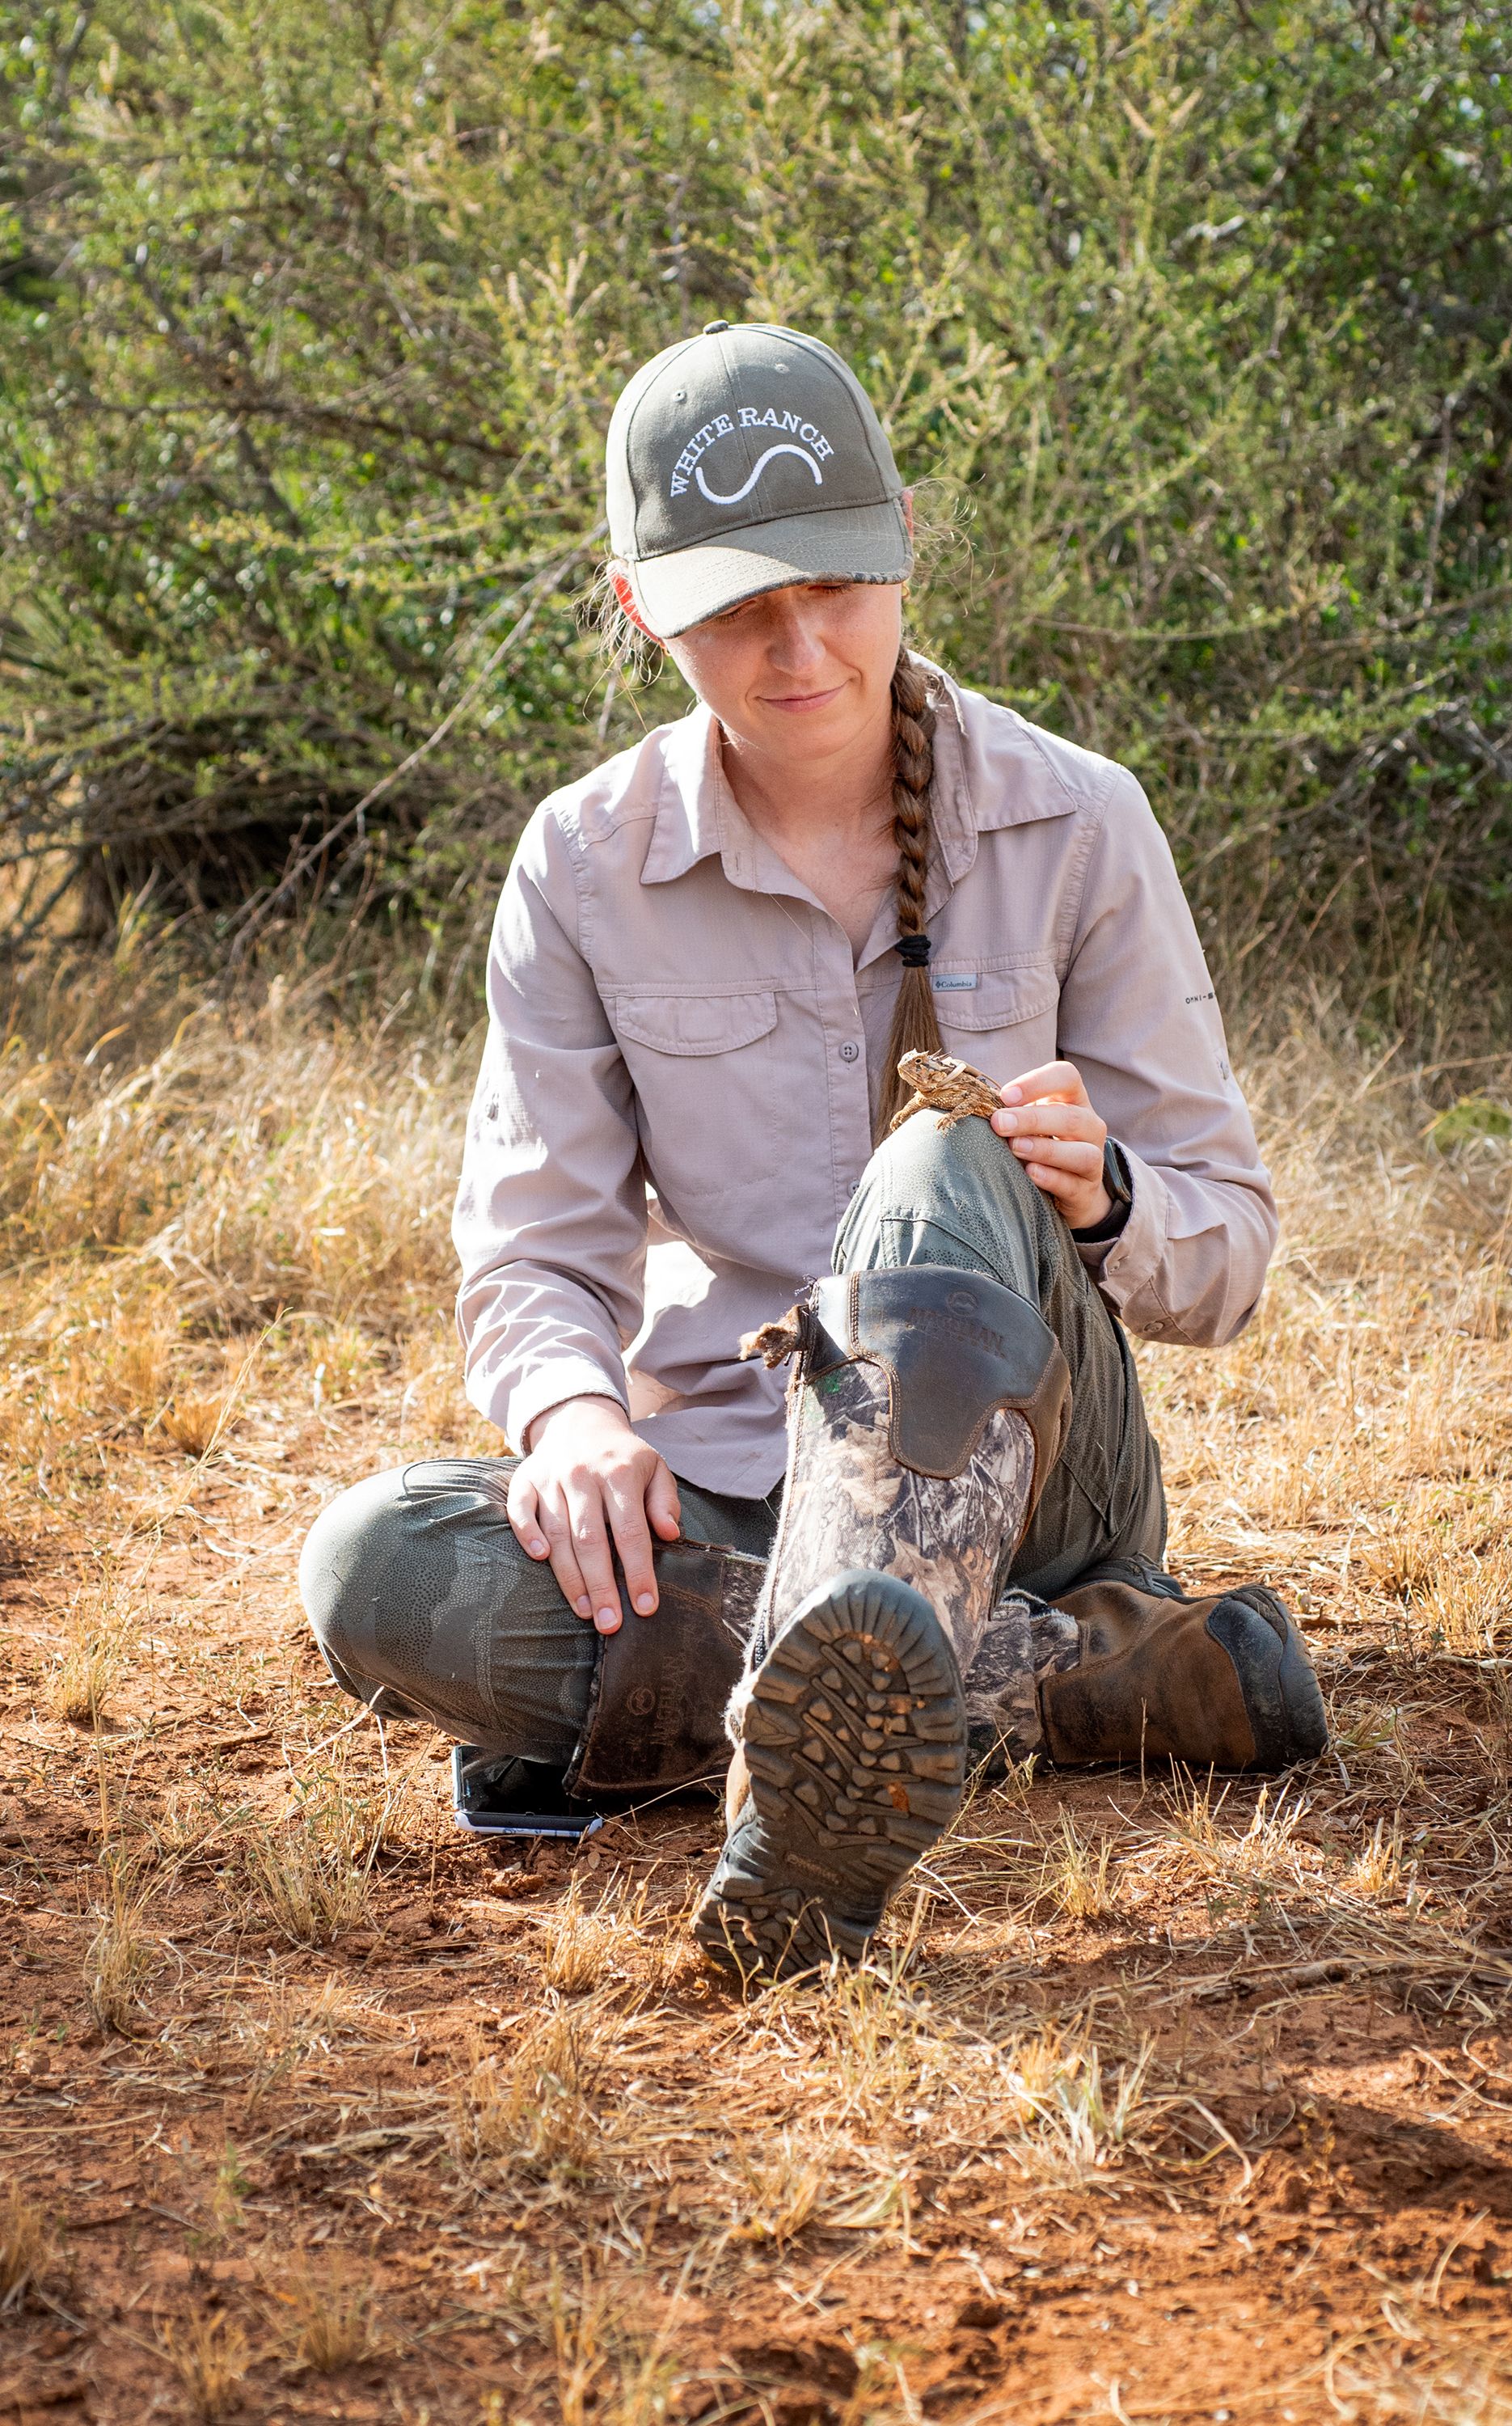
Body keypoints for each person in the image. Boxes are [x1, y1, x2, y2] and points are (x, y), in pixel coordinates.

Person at [300, 320, 1326, 1980]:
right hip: (728, 1487)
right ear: (642, 609)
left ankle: (803, 1785)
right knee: (372, 1566)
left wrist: (1104, 1197)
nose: (796, 647)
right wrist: (570, 1423)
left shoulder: (1079, 818)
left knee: (936, 1164)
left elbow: (1225, 1257)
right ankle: (1079, 1682)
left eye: (832, 586)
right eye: (733, 607)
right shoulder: (578, 863)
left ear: (903, 543)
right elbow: (535, 1253)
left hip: (1035, 1487)